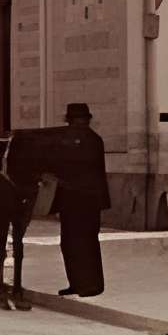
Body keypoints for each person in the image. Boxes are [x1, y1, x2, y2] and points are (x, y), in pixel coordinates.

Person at [53, 102, 111, 298]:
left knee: (85, 242)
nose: (77, 124)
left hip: (86, 199)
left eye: (79, 120)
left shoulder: (91, 140)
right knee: (69, 242)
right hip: (72, 200)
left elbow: (86, 170)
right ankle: (77, 283)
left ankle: (90, 285)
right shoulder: (70, 140)